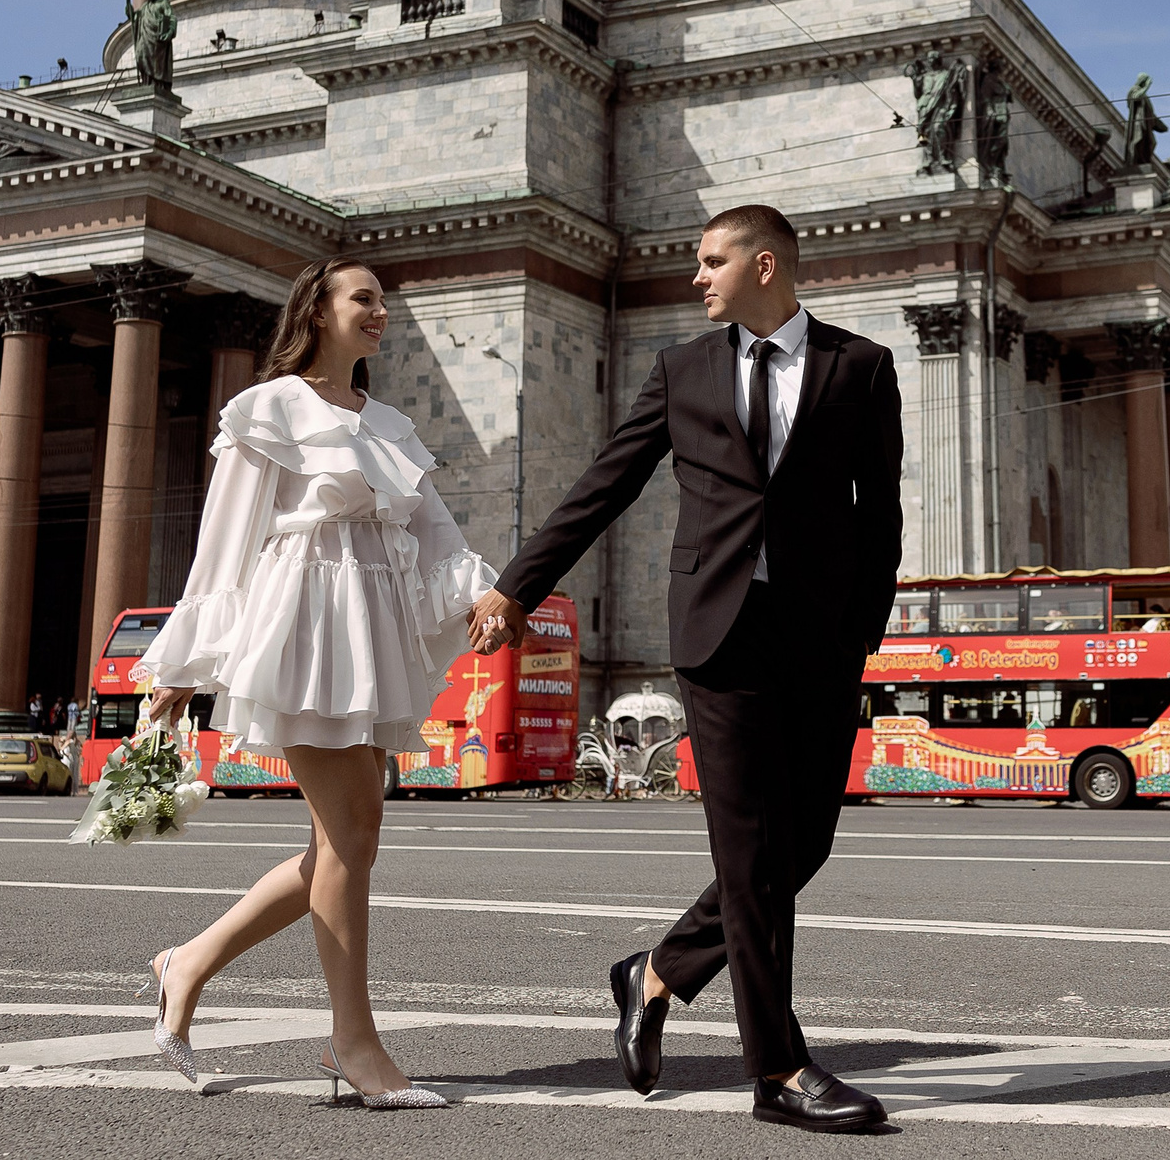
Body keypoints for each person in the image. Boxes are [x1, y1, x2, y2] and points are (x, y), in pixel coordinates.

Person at [465, 204, 904, 1133]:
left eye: (712, 261)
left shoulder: (860, 367)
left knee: (802, 847)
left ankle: (654, 971)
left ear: (767, 264)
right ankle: (777, 1070)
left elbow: (882, 514)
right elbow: (606, 483)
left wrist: (860, 629)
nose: (697, 277)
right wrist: (516, 587)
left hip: (818, 640)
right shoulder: (683, 369)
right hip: (721, 635)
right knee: (748, 854)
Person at [135, 258, 495, 1110]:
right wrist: (183, 667)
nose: (379, 312)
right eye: (363, 298)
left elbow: (437, 531)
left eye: (382, 301)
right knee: (355, 832)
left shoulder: (393, 423)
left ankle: (186, 962)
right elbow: (223, 544)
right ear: (319, 310)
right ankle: (354, 1044)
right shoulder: (269, 408)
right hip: (302, 627)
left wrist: (483, 591)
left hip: (374, 633)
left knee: (346, 844)